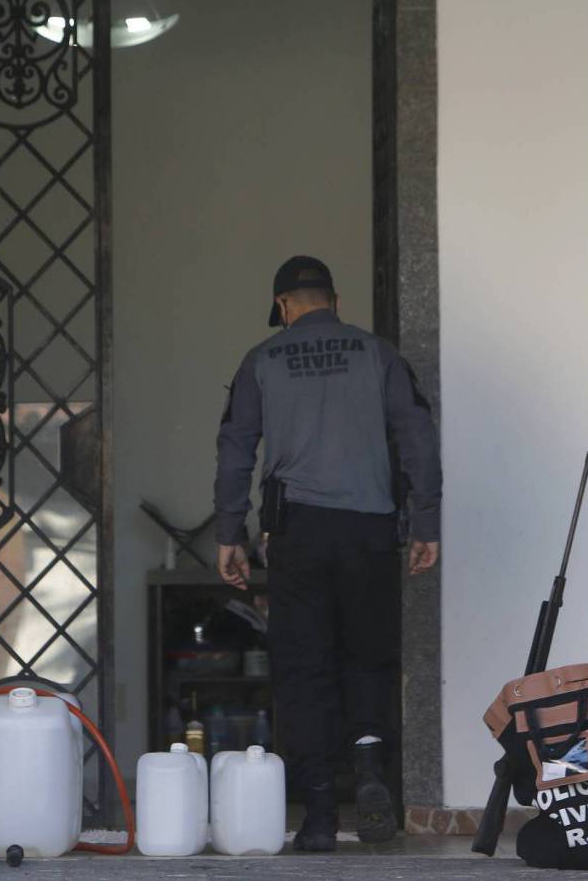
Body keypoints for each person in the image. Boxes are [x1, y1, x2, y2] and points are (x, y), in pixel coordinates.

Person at [214, 255, 442, 851]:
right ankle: (368, 771)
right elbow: (418, 436)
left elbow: (235, 449)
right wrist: (426, 521)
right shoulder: (378, 354)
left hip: (298, 535)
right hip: (370, 531)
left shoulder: (261, 360)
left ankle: (318, 814)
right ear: (335, 302)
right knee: (368, 659)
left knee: (303, 668)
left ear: (283, 307)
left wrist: (229, 533)